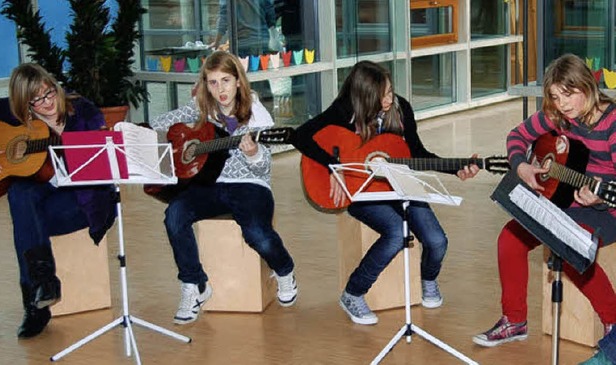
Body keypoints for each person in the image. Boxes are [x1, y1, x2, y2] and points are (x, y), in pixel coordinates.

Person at [291, 61, 480, 325]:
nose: (391, 98)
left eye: (391, 90)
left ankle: (428, 279)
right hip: (361, 187)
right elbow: (299, 136)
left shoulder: (400, 110)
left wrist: (456, 168)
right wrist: (334, 166)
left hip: (400, 183)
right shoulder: (344, 110)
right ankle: (353, 293)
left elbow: (417, 154)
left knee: (437, 240)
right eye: (384, 94)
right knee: (396, 232)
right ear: (365, 96)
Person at [472, 54, 616, 356]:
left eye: (569, 94)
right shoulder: (559, 117)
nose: (563, 104)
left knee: (572, 247)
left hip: (608, 210)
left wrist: (600, 195)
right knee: (509, 238)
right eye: (555, 96)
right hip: (565, 201)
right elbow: (517, 136)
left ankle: (613, 324)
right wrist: (522, 166)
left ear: (587, 86)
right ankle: (515, 321)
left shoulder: (613, 124)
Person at [148, 50, 298, 324]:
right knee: (175, 215)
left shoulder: (255, 114)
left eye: (226, 81)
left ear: (238, 81)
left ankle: (284, 269)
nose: (220, 89)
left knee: (256, 233)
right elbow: (161, 124)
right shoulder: (201, 109)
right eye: (213, 82)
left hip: (249, 185)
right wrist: (155, 133)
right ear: (205, 84)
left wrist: (253, 153)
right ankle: (195, 285)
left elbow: (263, 168)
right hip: (208, 184)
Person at [0, 63, 116, 338]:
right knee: (20, 194)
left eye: (49, 92)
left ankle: (36, 301)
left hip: (82, 199)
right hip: (42, 196)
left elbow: (102, 160)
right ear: (23, 104)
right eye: (36, 100)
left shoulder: (82, 109)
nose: (48, 102)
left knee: (24, 220)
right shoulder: (10, 111)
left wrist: (74, 144)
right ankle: (43, 284)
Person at [211, 0, 280, 58]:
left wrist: (217, 42)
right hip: (261, 41)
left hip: (241, 43)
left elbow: (223, 19)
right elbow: (271, 18)